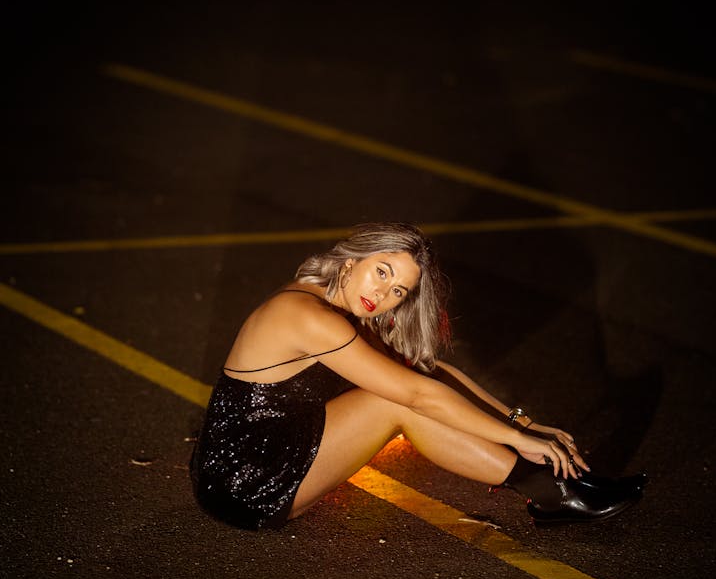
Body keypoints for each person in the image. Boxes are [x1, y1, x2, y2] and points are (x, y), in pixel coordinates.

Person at [191, 223, 646, 530]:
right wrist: (524, 442)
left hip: (287, 448)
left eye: (398, 291)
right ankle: (550, 491)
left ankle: (554, 487)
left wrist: (521, 423)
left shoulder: (343, 303)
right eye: (381, 272)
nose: (382, 294)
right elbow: (416, 394)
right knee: (395, 401)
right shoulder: (306, 315)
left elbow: (430, 373)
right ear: (353, 260)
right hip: (243, 478)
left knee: (411, 386)